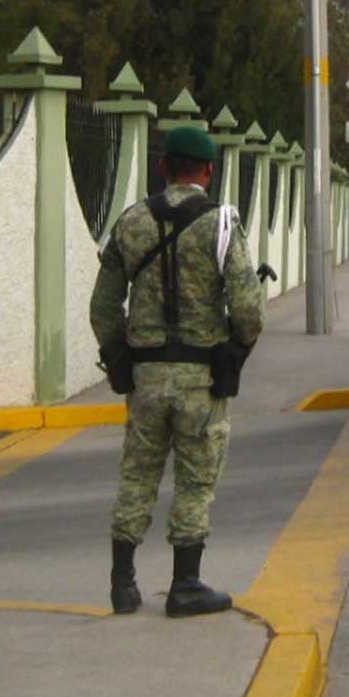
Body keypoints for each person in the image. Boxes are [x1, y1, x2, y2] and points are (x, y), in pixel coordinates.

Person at [91, 125, 266, 617]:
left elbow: (103, 305)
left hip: (146, 378)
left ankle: (122, 583)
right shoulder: (223, 224)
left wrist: (118, 356)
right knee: (194, 483)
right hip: (200, 380)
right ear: (209, 172)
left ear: (163, 166)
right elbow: (248, 307)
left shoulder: (130, 223)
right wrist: (238, 347)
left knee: (137, 475)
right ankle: (185, 584)